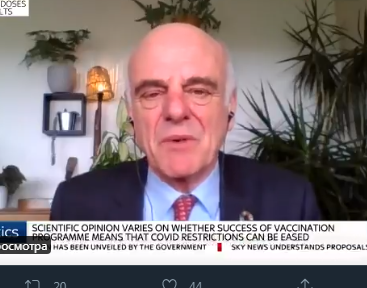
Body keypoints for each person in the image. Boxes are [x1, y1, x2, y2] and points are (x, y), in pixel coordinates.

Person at [50, 23, 321, 221]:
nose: (176, 110)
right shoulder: (75, 206)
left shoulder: (292, 203)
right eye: (152, 93)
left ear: (230, 106)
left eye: (199, 91)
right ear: (131, 113)